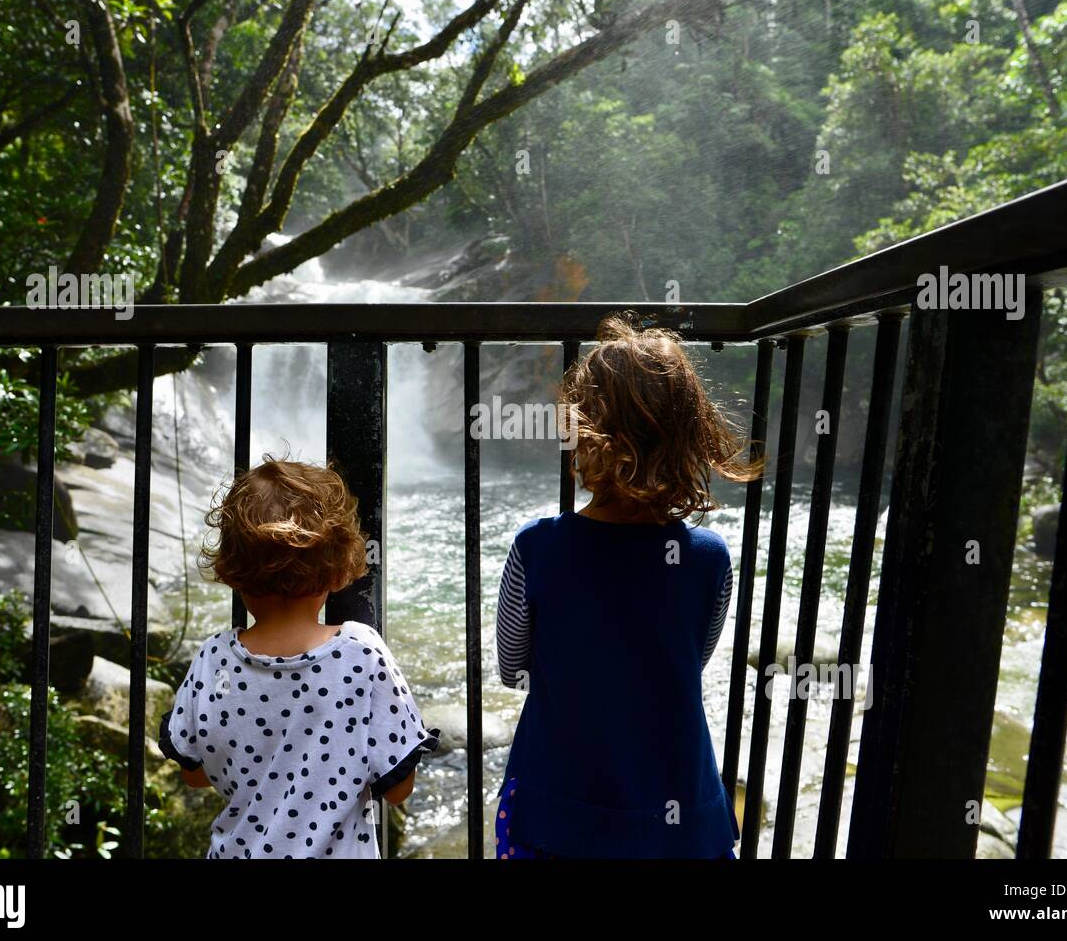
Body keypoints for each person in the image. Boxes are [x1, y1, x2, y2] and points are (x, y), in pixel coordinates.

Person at [494, 315, 760, 858]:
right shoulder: (710, 558)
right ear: (690, 435)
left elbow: (512, 668)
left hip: (559, 810)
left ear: (584, 432)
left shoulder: (536, 549)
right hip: (682, 815)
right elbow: (690, 659)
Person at [159, 458, 438, 858]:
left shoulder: (213, 658)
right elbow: (397, 788)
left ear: (233, 571)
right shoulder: (360, 653)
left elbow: (195, 773)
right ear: (338, 569)